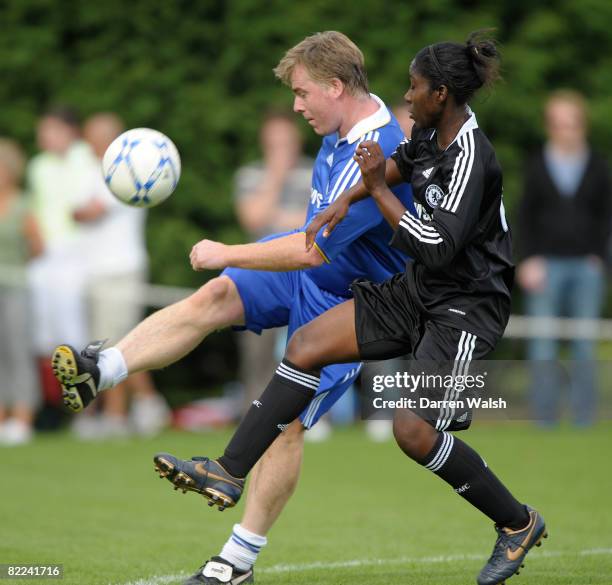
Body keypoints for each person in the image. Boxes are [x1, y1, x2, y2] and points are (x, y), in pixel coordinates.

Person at [143, 31, 545, 585]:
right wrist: (347, 199)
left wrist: (374, 190)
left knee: (413, 431)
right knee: (306, 345)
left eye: (415, 87)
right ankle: (228, 471)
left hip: (467, 306)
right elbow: (398, 169)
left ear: (443, 93)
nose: (406, 96)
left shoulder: (472, 155)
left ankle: (518, 523)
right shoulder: (430, 132)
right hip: (419, 288)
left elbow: (435, 243)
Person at [51, 31, 414, 584]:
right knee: (217, 293)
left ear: (337, 87)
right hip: (307, 272)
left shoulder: (378, 149)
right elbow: (311, 239)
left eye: (302, 93)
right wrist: (233, 265)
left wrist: (226, 250)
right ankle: (102, 370)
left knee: (285, 424)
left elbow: (312, 247)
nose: (296, 105)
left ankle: (235, 561)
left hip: (349, 303)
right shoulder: (340, 130)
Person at [71, 112, 170, 439]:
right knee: (110, 342)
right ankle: (147, 404)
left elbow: (88, 211)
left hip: (119, 269)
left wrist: (76, 211)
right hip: (98, 270)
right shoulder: (91, 171)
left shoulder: (123, 169)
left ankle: (118, 416)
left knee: (111, 346)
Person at [517, 90, 610, 427]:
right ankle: (544, 420)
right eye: (557, 124)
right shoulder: (537, 163)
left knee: (584, 345)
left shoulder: (598, 166)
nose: (564, 131)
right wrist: (528, 260)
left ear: (581, 125)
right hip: (546, 267)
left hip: (586, 267)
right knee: (543, 345)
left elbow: (605, 217)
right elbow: (525, 216)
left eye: (570, 124)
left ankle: (584, 419)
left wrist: (599, 258)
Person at [233, 110, 311, 416]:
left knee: (309, 347)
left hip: (307, 275)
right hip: (261, 276)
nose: (280, 148)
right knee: (257, 355)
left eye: (285, 142)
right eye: (273, 143)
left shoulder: (316, 171)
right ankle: (254, 414)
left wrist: (279, 219)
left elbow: (318, 222)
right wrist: (276, 178)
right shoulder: (250, 175)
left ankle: (310, 416)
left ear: (297, 140)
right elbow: (253, 218)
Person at [0, 138, 44, 446]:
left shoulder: (23, 203)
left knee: (18, 351)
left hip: (16, 288)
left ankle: (23, 416)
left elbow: (38, 246)